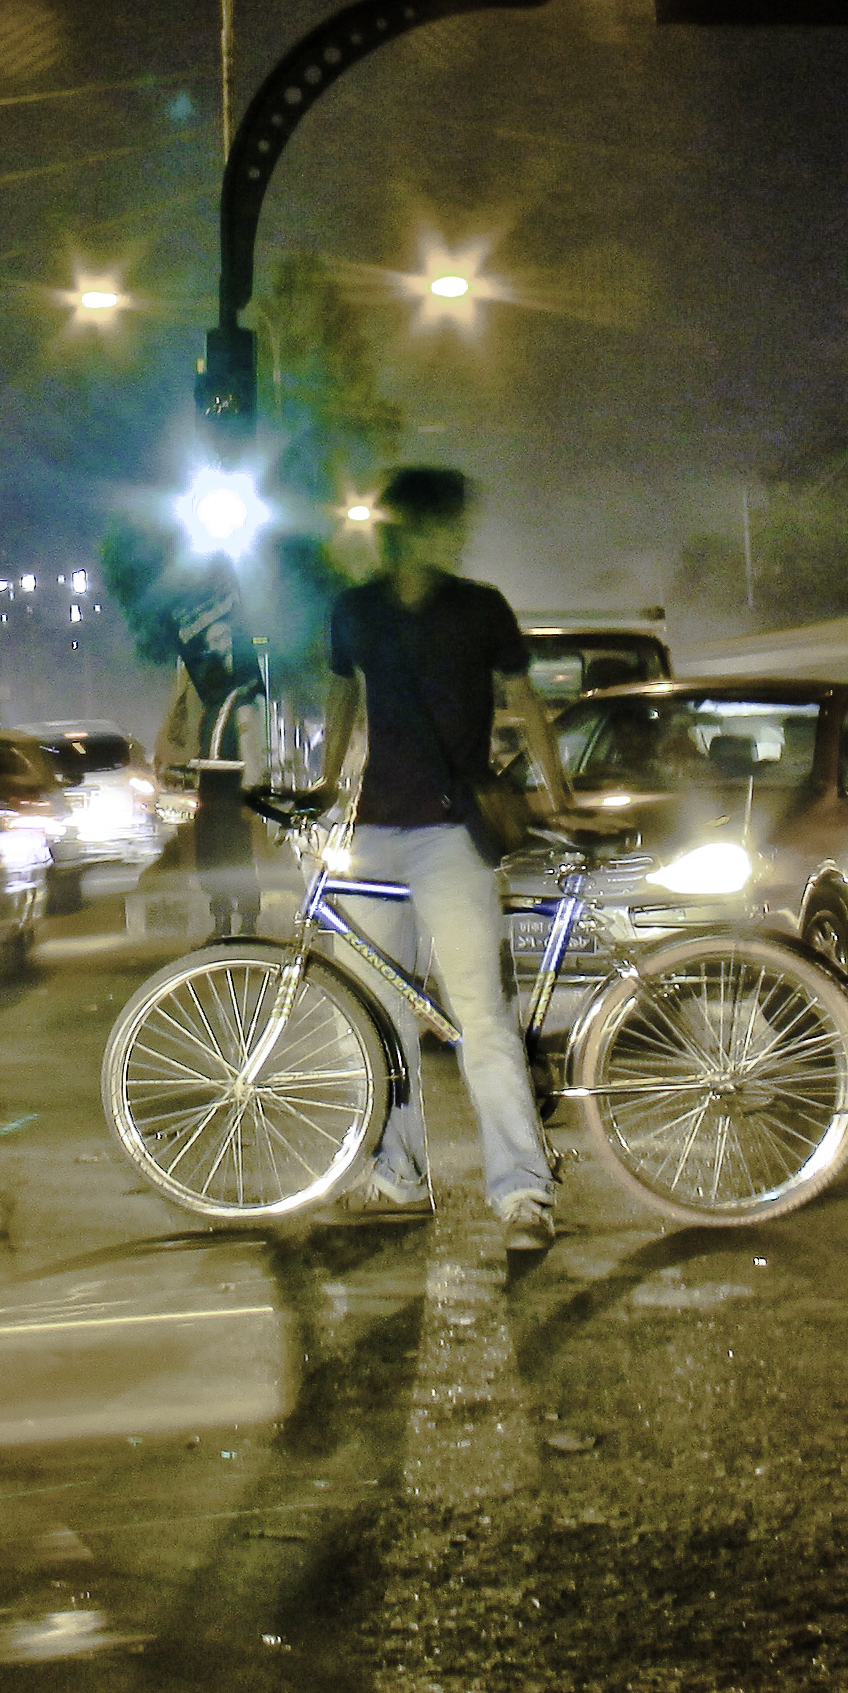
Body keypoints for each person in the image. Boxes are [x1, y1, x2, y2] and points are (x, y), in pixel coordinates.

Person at [311, 465, 572, 1250]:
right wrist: (327, 784)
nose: (456, 536)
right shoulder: (354, 609)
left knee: (480, 1018)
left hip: (455, 833)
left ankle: (524, 1192)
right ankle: (399, 1172)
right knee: (375, 1020)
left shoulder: (481, 607)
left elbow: (525, 703)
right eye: (444, 522)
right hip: (378, 830)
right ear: (410, 527)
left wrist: (557, 791)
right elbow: (343, 696)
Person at [154, 583, 274, 942]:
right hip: (210, 780)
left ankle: (248, 920)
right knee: (212, 853)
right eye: (213, 639)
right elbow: (182, 724)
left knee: (237, 852)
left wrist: (254, 788)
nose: (218, 645)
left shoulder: (246, 691)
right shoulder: (201, 686)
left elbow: (253, 739)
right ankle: (221, 919)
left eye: (225, 638)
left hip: (237, 782)